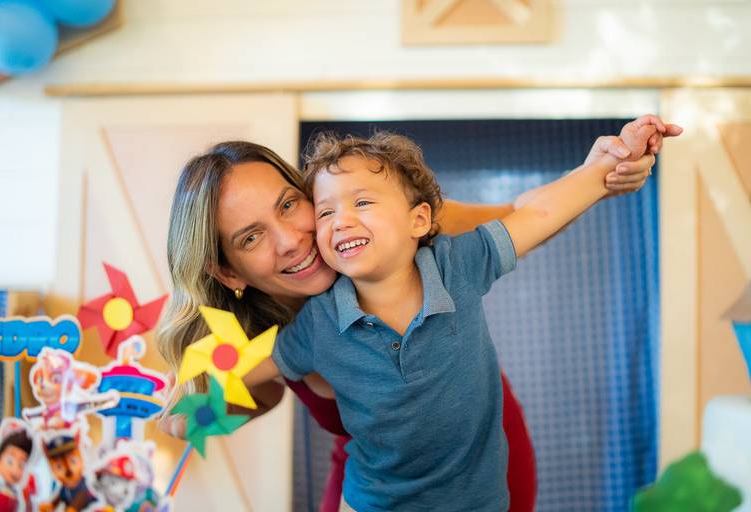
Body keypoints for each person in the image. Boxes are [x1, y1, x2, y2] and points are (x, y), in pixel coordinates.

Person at [157, 116, 679, 511]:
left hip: (477, 463)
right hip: (378, 480)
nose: (292, 239)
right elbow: (208, 407)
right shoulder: (273, 336)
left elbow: (526, 217)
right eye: (251, 237)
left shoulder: (399, 225)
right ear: (229, 272)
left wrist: (600, 172)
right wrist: (184, 414)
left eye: (290, 204)